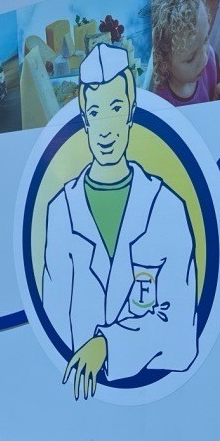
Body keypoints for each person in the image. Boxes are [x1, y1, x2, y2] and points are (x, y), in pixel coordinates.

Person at [41, 43, 199, 399]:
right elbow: (53, 326)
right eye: (95, 112)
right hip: (77, 401)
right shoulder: (61, 210)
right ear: (84, 119)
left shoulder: (167, 207)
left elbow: (181, 337)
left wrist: (107, 345)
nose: (105, 129)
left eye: (115, 108)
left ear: (131, 110)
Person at [150, 0, 220, 106]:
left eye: (205, 39)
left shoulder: (211, 58)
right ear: (163, 62)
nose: (204, 59)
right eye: (190, 58)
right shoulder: (158, 100)